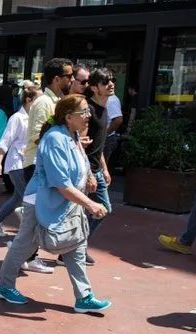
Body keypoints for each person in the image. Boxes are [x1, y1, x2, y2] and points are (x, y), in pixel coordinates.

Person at [0, 94, 111, 313]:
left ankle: (84, 296)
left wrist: (89, 176)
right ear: (68, 117)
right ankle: (4, 285)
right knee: (24, 245)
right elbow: (60, 183)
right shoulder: (55, 138)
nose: (89, 116)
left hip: (67, 202)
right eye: (84, 112)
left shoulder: (73, 134)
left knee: (77, 243)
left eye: (88, 111)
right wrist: (90, 204)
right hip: (41, 203)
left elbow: (79, 160)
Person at [19, 57, 85, 273]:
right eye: (69, 76)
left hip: (47, 168)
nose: (73, 80)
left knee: (40, 217)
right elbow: (40, 138)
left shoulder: (56, 101)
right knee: (36, 220)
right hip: (38, 166)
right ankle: (18, 262)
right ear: (57, 79)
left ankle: (27, 256)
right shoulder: (43, 102)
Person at [64, 68, 114, 266]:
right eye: (105, 82)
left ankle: (74, 248)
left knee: (91, 211)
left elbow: (97, 144)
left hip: (96, 170)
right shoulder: (89, 110)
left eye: (112, 80)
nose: (110, 84)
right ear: (94, 87)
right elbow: (80, 142)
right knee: (95, 210)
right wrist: (90, 173)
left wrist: (105, 168)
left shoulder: (104, 108)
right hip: (87, 172)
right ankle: (74, 247)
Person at [0, 86, 41, 239]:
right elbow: (5, 141)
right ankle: (27, 233)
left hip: (29, 163)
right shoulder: (17, 118)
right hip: (17, 164)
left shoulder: (36, 118)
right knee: (28, 197)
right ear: (29, 100)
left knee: (18, 197)